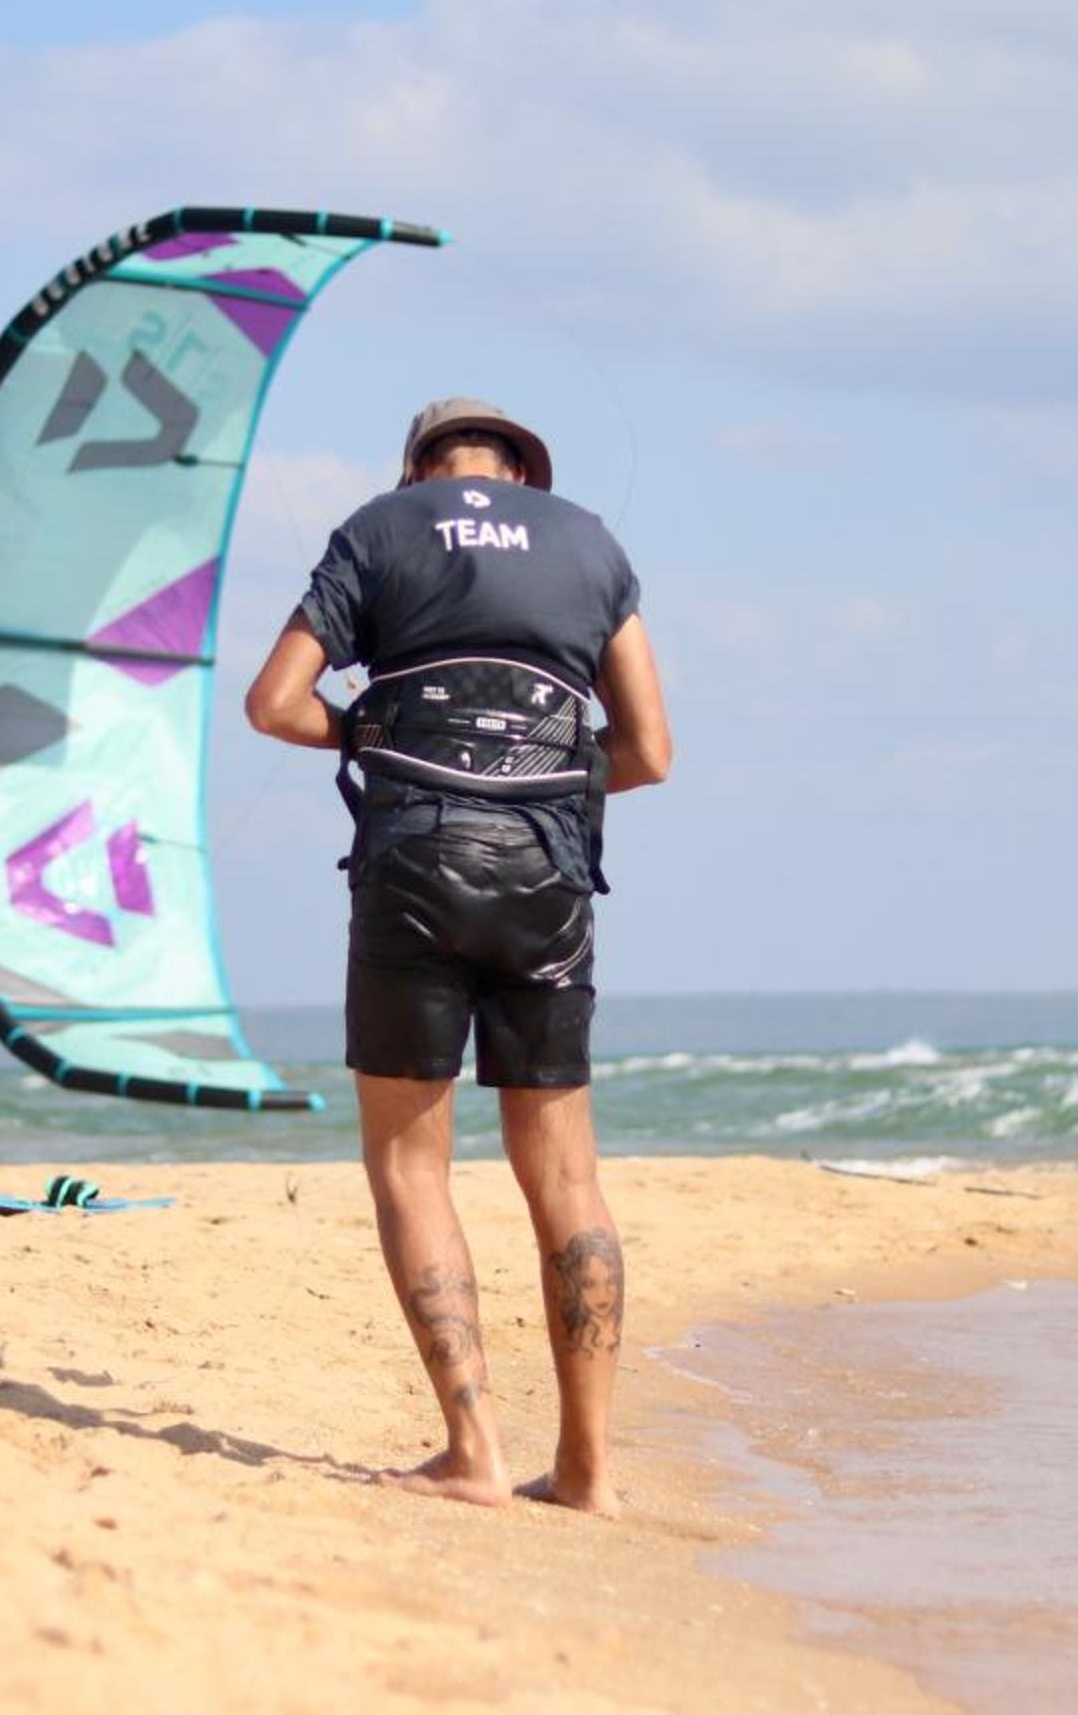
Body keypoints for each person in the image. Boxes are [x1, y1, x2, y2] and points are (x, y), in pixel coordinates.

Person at [243, 396, 673, 1515]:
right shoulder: (589, 542)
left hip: (415, 865)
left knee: (411, 1165)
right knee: (567, 1175)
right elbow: (650, 751)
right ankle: (587, 1470)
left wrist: (380, 735)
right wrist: (533, 774)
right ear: (521, 472)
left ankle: (474, 1448)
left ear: (419, 468)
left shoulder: (382, 527)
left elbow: (275, 704)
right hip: (549, 874)